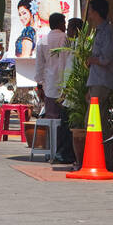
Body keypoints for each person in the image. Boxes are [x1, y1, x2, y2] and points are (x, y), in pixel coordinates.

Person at [35, 12, 75, 163]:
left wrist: (39, 84)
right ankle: (62, 151)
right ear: (59, 24)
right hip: (67, 85)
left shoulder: (43, 41)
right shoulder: (67, 39)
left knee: (51, 120)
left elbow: (39, 65)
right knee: (64, 121)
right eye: (64, 23)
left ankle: (50, 151)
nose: (65, 26)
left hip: (50, 86)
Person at [85, 0, 113, 123]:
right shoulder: (99, 31)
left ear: (96, 12)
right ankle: (105, 143)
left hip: (102, 81)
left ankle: (100, 143)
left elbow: (105, 59)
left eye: (90, 10)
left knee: (92, 120)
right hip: (97, 80)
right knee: (100, 119)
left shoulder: (107, 32)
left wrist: (91, 60)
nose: (89, 14)